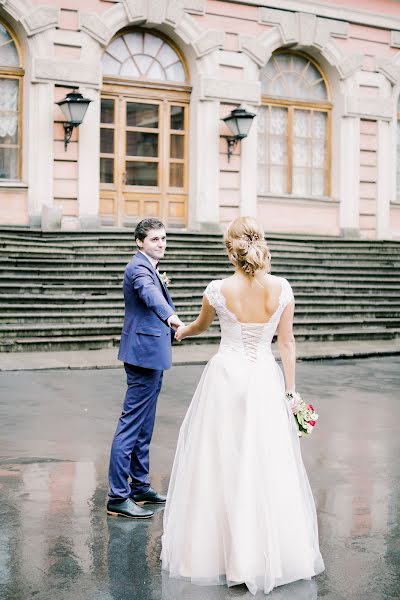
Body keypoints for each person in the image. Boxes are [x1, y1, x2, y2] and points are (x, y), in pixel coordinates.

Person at [161, 216, 324, 594]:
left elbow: (202, 325)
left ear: (229, 249)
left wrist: (182, 330)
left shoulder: (218, 289)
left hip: (225, 378)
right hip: (264, 379)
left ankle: (221, 554)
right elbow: (286, 344)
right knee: (265, 462)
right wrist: (291, 392)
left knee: (220, 462)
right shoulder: (282, 289)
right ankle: (267, 553)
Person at [107, 218, 183, 519]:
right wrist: (172, 318)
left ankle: (139, 486)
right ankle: (117, 496)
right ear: (140, 242)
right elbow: (150, 296)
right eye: (154, 239)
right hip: (142, 355)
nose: (161, 243)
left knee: (144, 425)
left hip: (152, 354)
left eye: (164, 238)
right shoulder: (138, 268)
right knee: (130, 425)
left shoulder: (150, 267)